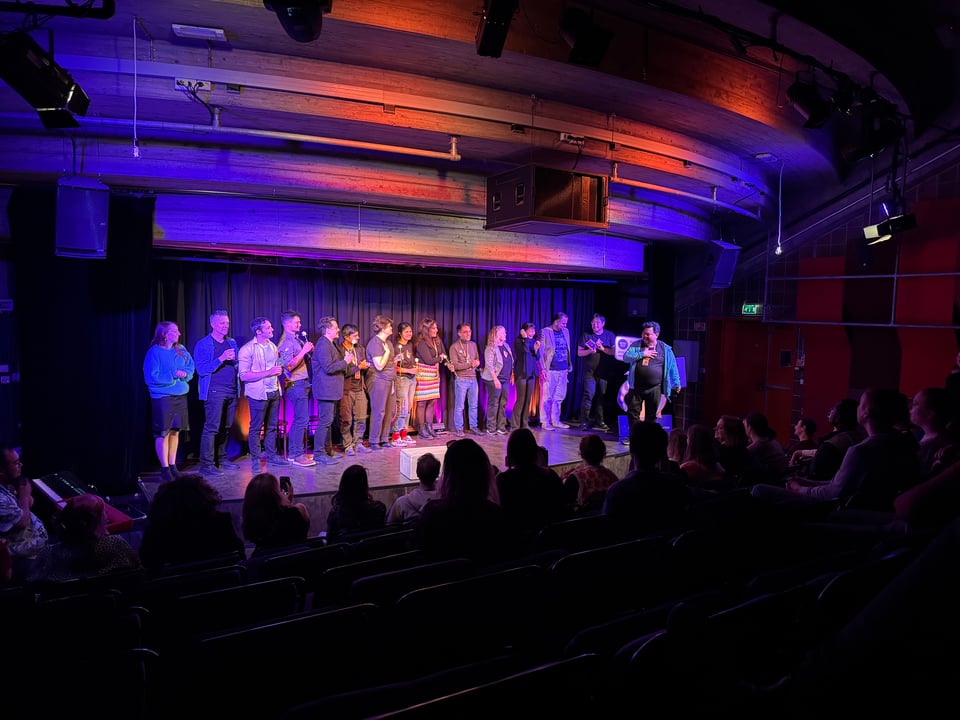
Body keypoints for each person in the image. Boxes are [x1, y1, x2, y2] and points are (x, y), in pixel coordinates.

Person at [754, 388, 921, 512]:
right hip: (873, 511)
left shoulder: (861, 451)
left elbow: (833, 493)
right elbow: (839, 483)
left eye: (860, 404)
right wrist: (808, 483)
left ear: (866, 412)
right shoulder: (905, 444)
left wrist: (800, 489)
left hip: (838, 512)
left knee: (759, 490)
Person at [414, 438, 510, 563]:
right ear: (483, 473)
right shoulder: (497, 515)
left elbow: (418, 551)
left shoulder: (433, 513)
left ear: (448, 475)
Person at [138, 473, 245, 574]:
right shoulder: (221, 522)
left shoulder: (156, 532)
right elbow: (240, 556)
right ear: (205, 499)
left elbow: (148, 567)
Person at [602, 421, 692, 535]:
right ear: (662, 452)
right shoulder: (676, 485)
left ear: (631, 450)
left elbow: (607, 531)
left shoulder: (617, 491)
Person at [28, 493, 140, 583]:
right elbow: (136, 573)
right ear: (96, 522)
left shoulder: (49, 553)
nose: (106, 515)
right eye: (104, 512)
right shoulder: (113, 544)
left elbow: (36, 583)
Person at [496, 427, 569, 546]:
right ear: (535, 452)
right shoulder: (551, 476)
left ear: (510, 454)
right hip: (549, 542)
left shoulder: (504, 481)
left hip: (515, 544)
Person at [143, 320, 196, 482]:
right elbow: (151, 376)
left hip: (180, 396)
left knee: (175, 431)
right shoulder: (154, 352)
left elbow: (190, 366)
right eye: (174, 331)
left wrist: (185, 374)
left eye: (178, 330)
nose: (178, 333)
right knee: (163, 433)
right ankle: (165, 468)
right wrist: (172, 375)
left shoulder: (181, 349)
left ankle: (173, 465)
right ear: (164, 335)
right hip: (163, 397)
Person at [194, 310, 241, 478]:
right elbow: (201, 369)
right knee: (212, 427)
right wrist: (220, 358)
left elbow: (236, 364)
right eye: (222, 323)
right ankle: (207, 464)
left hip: (231, 389)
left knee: (226, 426)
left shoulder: (231, 342)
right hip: (214, 390)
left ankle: (221, 458)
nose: (225, 326)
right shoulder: (203, 344)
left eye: (227, 323)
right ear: (212, 324)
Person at [239, 316, 287, 472]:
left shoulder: (272, 346)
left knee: (272, 427)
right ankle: (255, 460)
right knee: (256, 428)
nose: (272, 329)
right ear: (258, 331)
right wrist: (269, 372)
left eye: (271, 326)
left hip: (274, 391)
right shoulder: (247, 349)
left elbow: (276, 366)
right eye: (268, 328)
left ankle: (271, 455)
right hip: (258, 394)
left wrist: (282, 363)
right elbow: (244, 375)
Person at [311, 316, 356, 465]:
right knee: (325, 421)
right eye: (336, 327)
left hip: (332, 391)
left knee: (328, 421)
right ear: (328, 329)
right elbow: (329, 368)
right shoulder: (323, 345)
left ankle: (327, 450)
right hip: (325, 391)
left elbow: (337, 366)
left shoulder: (331, 344)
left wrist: (350, 365)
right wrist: (345, 361)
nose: (338, 330)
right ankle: (319, 454)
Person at [0, 447, 48, 580]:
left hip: (31, 545)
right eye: (16, 463)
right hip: (23, 558)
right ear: (1, 471)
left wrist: (23, 495)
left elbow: (28, 503)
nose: (20, 465)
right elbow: (22, 521)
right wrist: (24, 495)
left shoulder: (6, 483)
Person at [622, 320, 681, 427]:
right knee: (633, 415)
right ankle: (634, 435)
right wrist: (642, 354)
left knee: (651, 417)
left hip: (654, 388)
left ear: (656, 335)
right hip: (636, 387)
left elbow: (673, 367)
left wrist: (676, 383)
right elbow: (626, 357)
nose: (645, 336)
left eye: (648, 334)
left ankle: (649, 436)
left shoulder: (665, 349)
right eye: (643, 333)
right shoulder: (636, 345)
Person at [277, 310, 316, 467]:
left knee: (302, 419)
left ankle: (297, 453)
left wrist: (307, 351)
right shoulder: (286, 342)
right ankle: (295, 454)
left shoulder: (296, 339)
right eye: (296, 322)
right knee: (301, 419)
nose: (300, 324)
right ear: (287, 324)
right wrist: (304, 351)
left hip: (303, 383)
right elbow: (286, 366)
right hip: (296, 384)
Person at [241, 472, 310, 554]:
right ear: (277, 495)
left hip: (266, 560)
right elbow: (299, 529)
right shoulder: (299, 510)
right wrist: (288, 504)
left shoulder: (254, 522)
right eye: (279, 491)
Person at [326, 465, 387, 540]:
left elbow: (330, 539)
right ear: (365, 486)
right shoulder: (379, 509)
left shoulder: (336, 514)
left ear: (343, 486)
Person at [563, 433, 620, 515]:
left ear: (581, 455)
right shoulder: (611, 476)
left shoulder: (576, 477)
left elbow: (564, 506)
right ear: (603, 454)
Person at [578, 313, 616, 432]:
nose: (595, 325)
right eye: (593, 323)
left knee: (601, 396)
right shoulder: (586, 335)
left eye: (598, 323)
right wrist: (590, 351)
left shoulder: (609, 335)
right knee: (588, 395)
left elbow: (615, 352)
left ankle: (599, 421)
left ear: (603, 324)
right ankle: (584, 421)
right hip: (589, 373)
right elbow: (579, 352)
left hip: (604, 373)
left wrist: (602, 349)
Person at [339, 324, 372, 457]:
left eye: (358, 335)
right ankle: (348, 445)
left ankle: (358, 442)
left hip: (359, 387)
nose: (358, 337)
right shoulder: (340, 350)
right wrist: (358, 367)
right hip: (346, 389)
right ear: (346, 337)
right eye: (355, 335)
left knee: (361, 417)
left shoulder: (360, 349)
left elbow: (363, 365)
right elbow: (343, 371)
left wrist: (365, 366)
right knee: (346, 419)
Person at [366, 315, 398, 450]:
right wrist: (386, 353)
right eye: (389, 326)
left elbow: (389, 362)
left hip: (390, 380)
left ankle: (384, 438)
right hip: (378, 380)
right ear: (383, 328)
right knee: (379, 411)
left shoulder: (388, 343)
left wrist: (394, 359)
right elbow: (379, 366)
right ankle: (374, 440)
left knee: (390, 411)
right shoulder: (375, 343)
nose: (391, 328)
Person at [414, 317, 448, 439]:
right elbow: (428, 360)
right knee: (422, 402)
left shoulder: (437, 341)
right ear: (426, 329)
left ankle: (429, 427)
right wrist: (440, 358)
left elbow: (444, 354)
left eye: (436, 328)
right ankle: (421, 429)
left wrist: (444, 360)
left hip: (434, 374)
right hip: (423, 374)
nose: (436, 330)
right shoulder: (421, 343)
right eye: (433, 328)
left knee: (432, 401)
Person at [539, 312, 573, 430]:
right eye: (563, 323)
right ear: (556, 322)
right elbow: (540, 352)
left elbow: (567, 349)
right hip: (550, 370)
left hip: (563, 370)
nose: (565, 325)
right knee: (547, 397)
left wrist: (567, 366)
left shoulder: (566, 331)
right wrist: (543, 368)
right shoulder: (545, 332)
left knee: (559, 397)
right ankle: (545, 422)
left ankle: (556, 421)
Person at [386, 452, 441, 525]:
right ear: (437, 474)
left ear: (417, 473)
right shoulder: (445, 502)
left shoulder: (402, 503)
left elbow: (389, 525)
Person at [450, 322, 482, 436]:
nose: (468, 334)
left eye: (469, 331)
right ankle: (459, 428)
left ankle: (473, 426)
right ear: (459, 333)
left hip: (473, 379)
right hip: (461, 379)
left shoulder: (473, 344)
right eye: (465, 332)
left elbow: (477, 359)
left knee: (474, 405)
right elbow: (455, 366)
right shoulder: (454, 347)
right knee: (460, 406)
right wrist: (470, 364)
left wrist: (477, 363)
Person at [481, 325, 512, 435]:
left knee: (503, 403)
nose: (505, 334)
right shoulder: (490, 348)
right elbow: (489, 366)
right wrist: (495, 380)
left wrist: (511, 374)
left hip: (505, 379)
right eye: (503, 333)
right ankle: (491, 427)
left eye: (505, 332)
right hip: (494, 379)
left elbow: (510, 361)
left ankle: (501, 426)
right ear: (497, 335)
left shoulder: (506, 346)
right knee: (494, 403)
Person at [392, 321, 419, 447]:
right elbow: (394, 367)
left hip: (412, 379)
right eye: (406, 332)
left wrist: (414, 370)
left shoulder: (410, 345)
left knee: (408, 409)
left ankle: (404, 433)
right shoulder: (396, 347)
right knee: (402, 408)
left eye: (410, 331)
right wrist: (408, 370)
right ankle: (396, 435)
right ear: (400, 333)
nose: (409, 334)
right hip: (402, 379)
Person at [743, 412, 787, 484]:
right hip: (779, 481)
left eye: (744, 425)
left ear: (749, 427)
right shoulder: (772, 441)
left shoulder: (757, 446)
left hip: (769, 483)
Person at [511, 322, 540, 431]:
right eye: (530, 330)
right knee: (521, 399)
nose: (532, 332)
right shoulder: (518, 341)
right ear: (523, 331)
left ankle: (524, 424)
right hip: (522, 374)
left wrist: (536, 350)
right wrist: (525, 339)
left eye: (533, 330)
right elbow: (525, 351)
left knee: (528, 400)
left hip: (531, 374)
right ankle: (515, 425)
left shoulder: (533, 341)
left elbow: (537, 357)